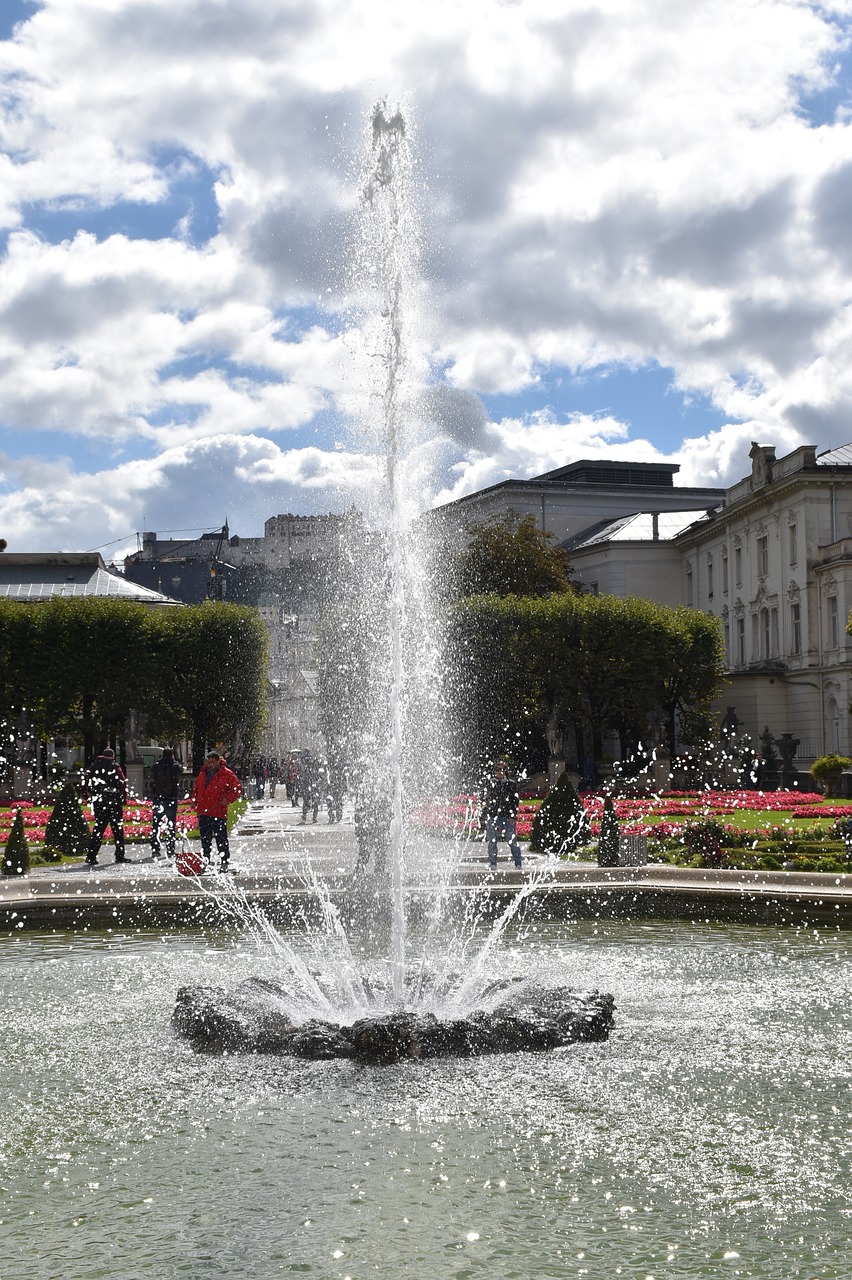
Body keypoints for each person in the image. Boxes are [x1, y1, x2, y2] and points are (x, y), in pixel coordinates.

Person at [191, 750, 242, 872]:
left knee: (221, 839)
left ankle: (224, 862)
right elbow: (197, 788)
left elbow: (237, 789)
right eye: (209, 762)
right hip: (204, 811)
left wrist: (227, 800)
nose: (210, 764)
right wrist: (194, 800)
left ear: (219, 761)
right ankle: (206, 861)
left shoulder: (227, 774)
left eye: (213, 762)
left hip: (218, 811)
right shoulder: (203, 773)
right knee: (205, 839)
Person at [85, 746, 130, 866]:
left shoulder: (94, 767)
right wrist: (123, 799)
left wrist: (88, 796)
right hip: (113, 801)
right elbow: (122, 782)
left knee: (98, 829)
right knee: (118, 830)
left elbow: (85, 782)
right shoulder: (115, 767)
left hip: (99, 801)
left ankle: (91, 856)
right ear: (113, 757)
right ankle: (119, 855)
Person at [480, 760, 522, 869]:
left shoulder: (511, 784)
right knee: (492, 840)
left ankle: (518, 863)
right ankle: (493, 863)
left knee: (511, 840)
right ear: (494, 771)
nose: (500, 772)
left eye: (503, 769)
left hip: (507, 817)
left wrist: (513, 816)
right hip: (493, 816)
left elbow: (515, 801)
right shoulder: (490, 783)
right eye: (498, 769)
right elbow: (485, 799)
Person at [150, 747, 182, 860]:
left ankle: (155, 849)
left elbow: (153, 775)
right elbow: (180, 771)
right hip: (171, 797)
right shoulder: (175, 766)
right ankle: (170, 848)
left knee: (156, 823)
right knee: (171, 824)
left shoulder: (156, 765)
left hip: (158, 797)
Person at [299, 750, 321, 824]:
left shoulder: (304, 763)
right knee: (313, 801)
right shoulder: (313, 762)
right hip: (311, 783)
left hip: (308, 784)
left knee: (307, 800)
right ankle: (313, 817)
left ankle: (305, 817)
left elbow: (302, 774)